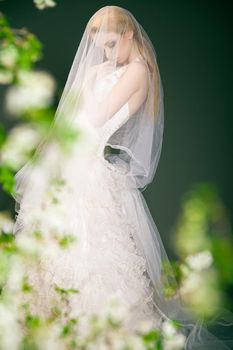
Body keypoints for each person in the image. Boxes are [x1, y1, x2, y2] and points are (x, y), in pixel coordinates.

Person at [12, 5, 233, 348]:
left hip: (89, 166)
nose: (105, 53)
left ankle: (96, 325)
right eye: (101, 46)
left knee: (92, 248)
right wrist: (91, 78)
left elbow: (95, 116)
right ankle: (54, 320)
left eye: (112, 43)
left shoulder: (138, 71)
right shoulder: (105, 70)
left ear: (129, 35)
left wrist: (90, 81)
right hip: (74, 162)